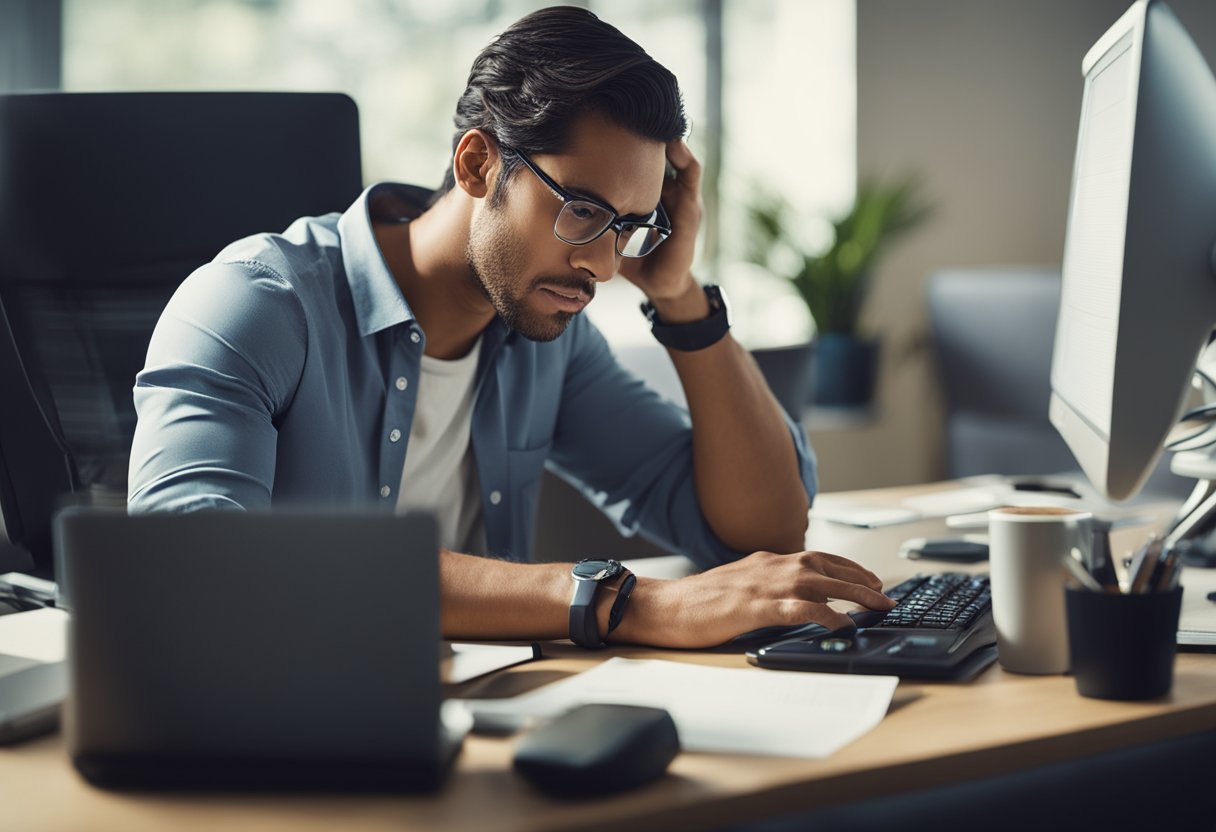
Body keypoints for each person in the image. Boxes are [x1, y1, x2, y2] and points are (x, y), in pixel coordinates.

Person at [127, 6, 894, 649]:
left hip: (486, 721)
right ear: (476, 166)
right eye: (584, 211)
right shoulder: (256, 303)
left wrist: (680, 296)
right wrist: (623, 601)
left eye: (627, 226)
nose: (600, 263)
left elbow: (759, 528)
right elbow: (195, 566)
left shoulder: (545, 337)